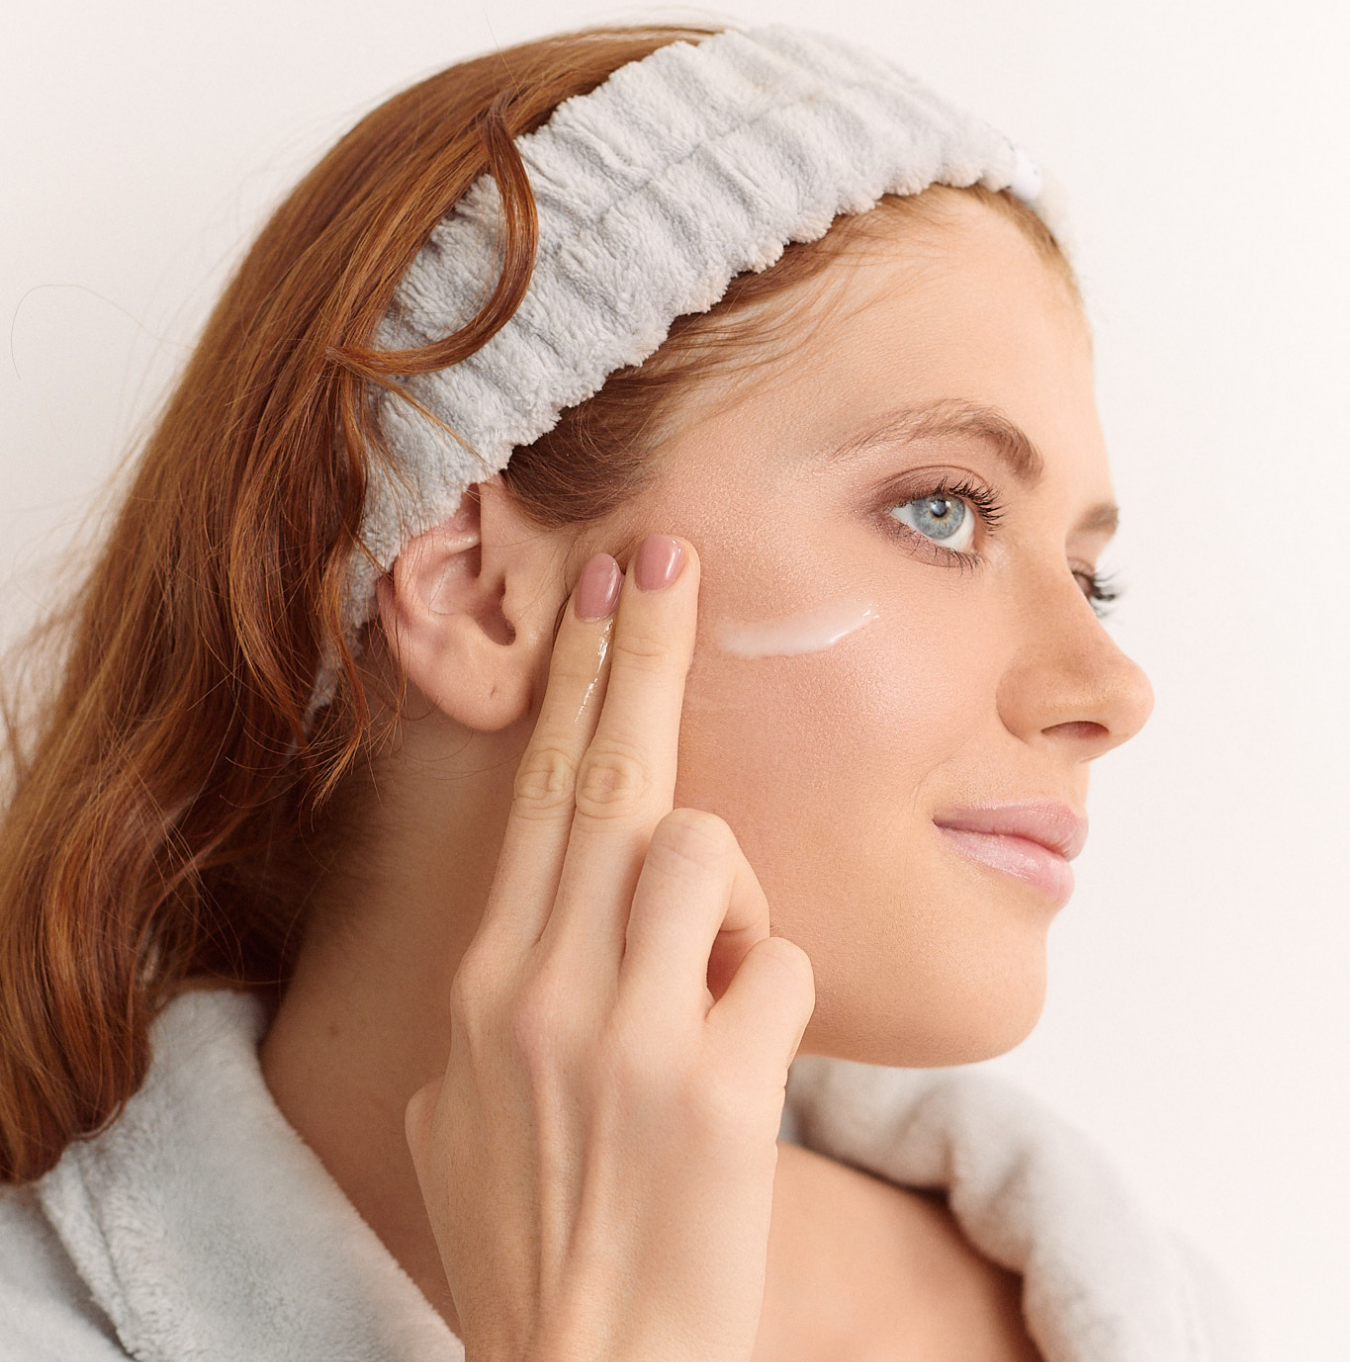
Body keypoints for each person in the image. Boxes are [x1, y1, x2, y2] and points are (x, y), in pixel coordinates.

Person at [0, 21, 1248, 1362]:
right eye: (942, 509)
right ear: (480, 593)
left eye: (1088, 576)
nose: (1111, 689)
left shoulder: (1147, 1312)